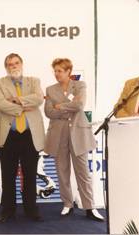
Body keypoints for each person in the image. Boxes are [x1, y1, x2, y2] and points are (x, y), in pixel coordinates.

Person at [44, 58, 104, 222]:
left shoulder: (80, 85)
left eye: (60, 71)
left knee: (83, 172)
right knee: (62, 171)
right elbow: (48, 112)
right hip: (58, 134)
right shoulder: (50, 89)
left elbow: (80, 106)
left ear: (69, 71)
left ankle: (89, 207)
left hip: (78, 133)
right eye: (55, 71)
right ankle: (67, 204)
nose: (57, 74)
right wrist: (69, 105)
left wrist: (60, 106)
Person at [0, 53, 45, 223]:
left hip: (30, 136)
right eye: (9, 64)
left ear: (21, 64)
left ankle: (31, 210)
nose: (13, 66)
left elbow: (38, 99)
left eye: (16, 63)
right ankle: (8, 211)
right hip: (9, 136)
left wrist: (17, 100)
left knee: (30, 175)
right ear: (6, 67)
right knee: (8, 175)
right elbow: (0, 104)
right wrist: (23, 107)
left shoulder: (34, 81)